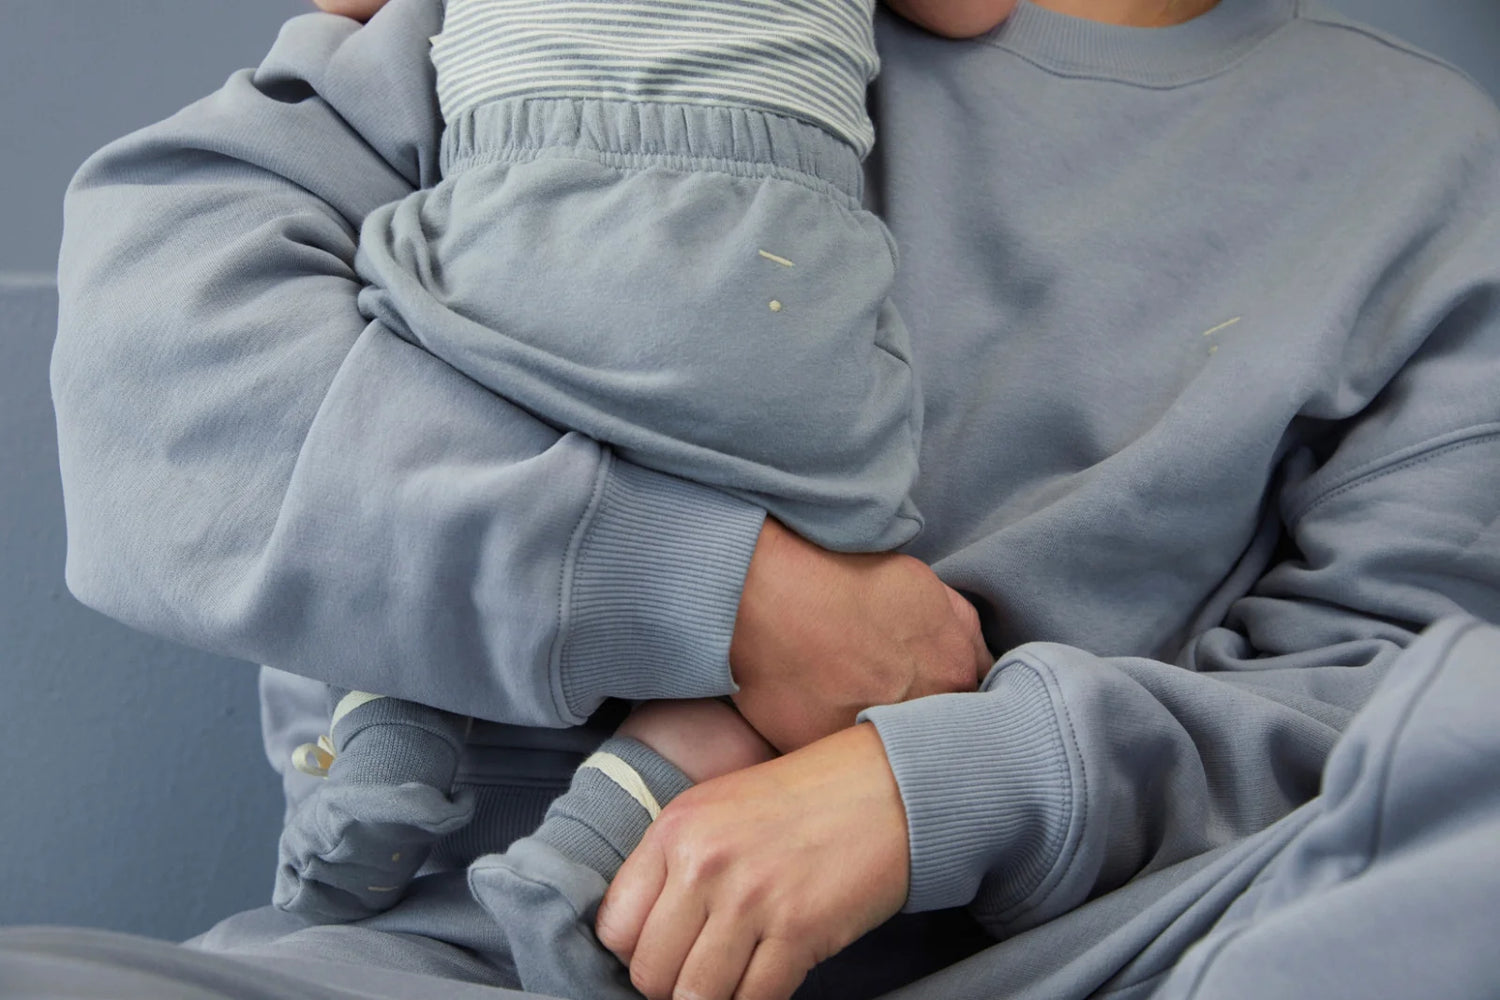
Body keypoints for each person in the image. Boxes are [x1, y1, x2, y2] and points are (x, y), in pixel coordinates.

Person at [19, 0, 1500, 999]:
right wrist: (708, 596)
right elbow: (158, 396)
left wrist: (949, 790)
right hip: (454, 959)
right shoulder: (604, 23)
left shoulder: (1426, 176)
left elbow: (1399, 722)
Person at [269, 0, 1002, 933]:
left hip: (516, 224)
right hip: (770, 263)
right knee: (830, 568)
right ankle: (597, 843)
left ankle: (389, 733)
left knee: (421, 441)